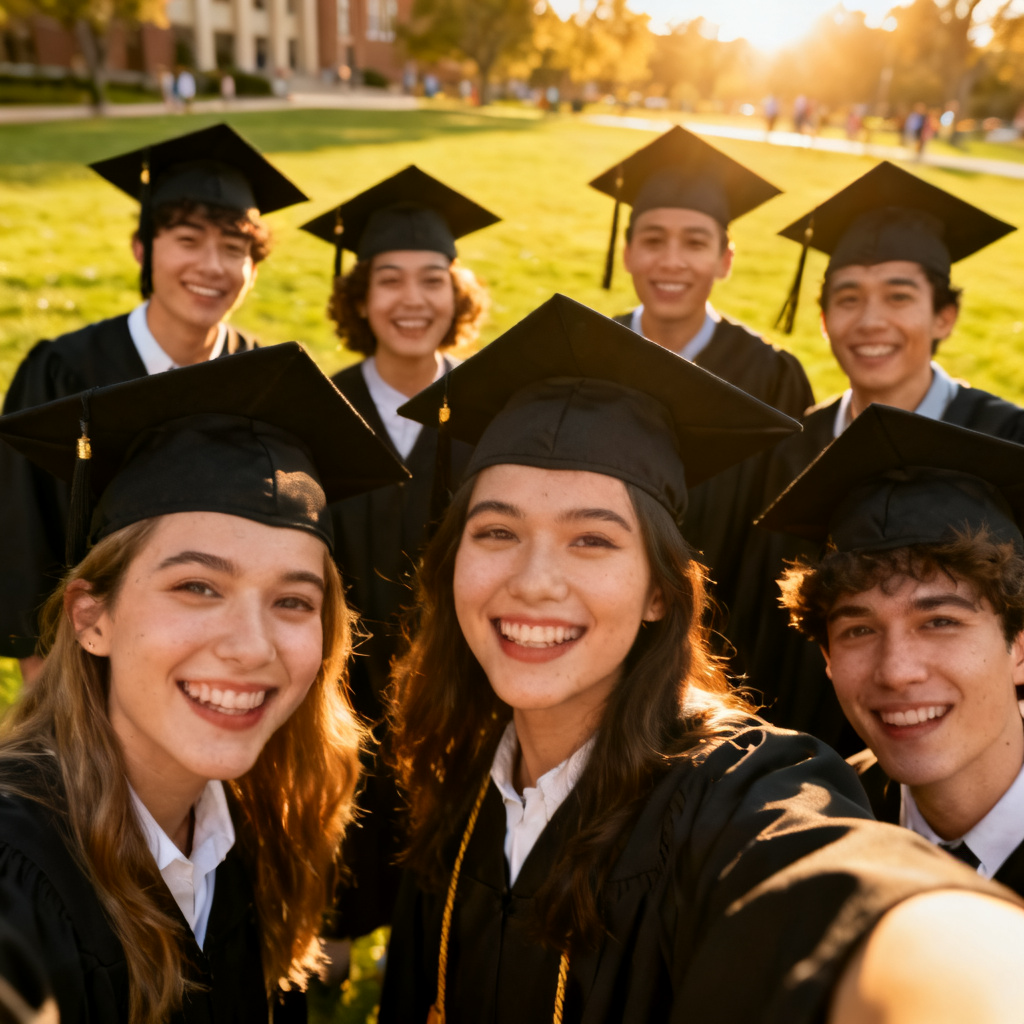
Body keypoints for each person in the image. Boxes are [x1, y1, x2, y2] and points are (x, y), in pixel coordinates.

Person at [379, 295, 1024, 1024]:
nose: (533, 581)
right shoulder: (462, 766)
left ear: (660, 591)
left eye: (591, 539)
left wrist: (963, 969)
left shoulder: (736, 788)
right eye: (496, 531)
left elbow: (832, 881)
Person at [0, 343, 407, 1021]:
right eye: (197, 586)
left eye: (293, 601)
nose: (251, 647)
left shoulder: (249, 827)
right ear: (89, 617)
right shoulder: (16, 880)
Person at [0, 123, 308, 684]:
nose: (212, 266)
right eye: (188, 241)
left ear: (253, 267)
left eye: (233, 249)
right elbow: (25, 535)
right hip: (88, 667)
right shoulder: (65, 372)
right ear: (143, 250)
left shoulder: (265, 381)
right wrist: (48, 692)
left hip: (222, 665)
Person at [734, 160, 1022, 752]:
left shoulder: (1007, 441)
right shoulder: (791, 450)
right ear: (823, 319)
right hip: (805, 752)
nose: (870, 322)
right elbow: (758, 626)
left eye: (898, 296)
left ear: (945, 315)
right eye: (848, 298)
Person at [300, 165, 496, 937]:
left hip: (462, 674)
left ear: (457, 295)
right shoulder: (319, 408)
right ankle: (335, 931)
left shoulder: (490, 410)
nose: (412, 301)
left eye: (431, 280)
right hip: (339, 670)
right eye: (389, 281)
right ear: (360, 298)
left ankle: (437, 947)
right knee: (337, 797)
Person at [767, 406, 1024, 895]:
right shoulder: (819, 829)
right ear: (826, 657)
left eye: (940, 622)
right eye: (859, 631)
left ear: (1019, 647)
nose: (896, 672)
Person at [588, 125, 814, 652]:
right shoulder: (589, 358)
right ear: (627, 252)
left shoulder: (770, 378)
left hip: (725, 645)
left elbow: (779, 543)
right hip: (597, 636)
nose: (671, 261)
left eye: (694, 242)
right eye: (653, 239)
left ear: (725, 260)